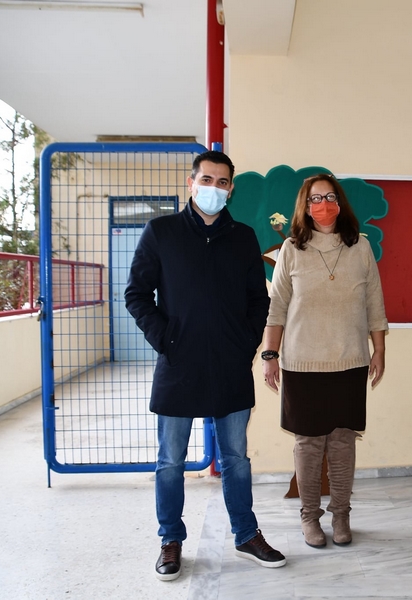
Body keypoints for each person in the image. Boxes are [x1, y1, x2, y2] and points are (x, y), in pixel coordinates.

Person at [125, 150, 286, 581]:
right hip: (178, 364)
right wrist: (166, 339)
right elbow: (136, 294)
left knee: (236, 458)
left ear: (231, 188)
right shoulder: (161, 232)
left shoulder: (244, 237)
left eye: (222, 181)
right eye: (207, 179)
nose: (214, 188)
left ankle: (246, 534)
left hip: (230, 365)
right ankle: (170, 540)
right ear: (191, 183)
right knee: (170, 461)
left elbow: (258, 300)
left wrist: (246, 343)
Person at [262, 173, 388, 549]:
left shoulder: (360, 247)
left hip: (350, 360)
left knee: (343, 442)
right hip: (302, 363)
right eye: (315, 198)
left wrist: (379, 350)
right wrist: (269, 355)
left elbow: (375, 302)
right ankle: (309, 517)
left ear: (340, 202)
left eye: (330, 197)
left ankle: (342, 515)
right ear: (304, 206)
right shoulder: (291, 249)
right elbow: (277, 307)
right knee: (308, 444)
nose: (323, 204)